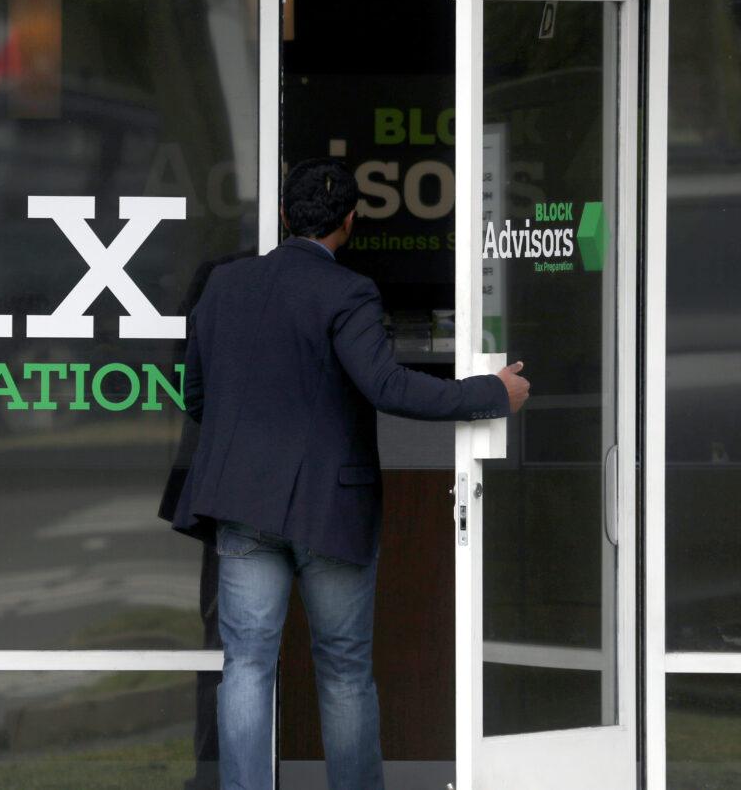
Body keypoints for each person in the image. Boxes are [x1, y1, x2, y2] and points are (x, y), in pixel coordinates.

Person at [168, 157, 530, 790]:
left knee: (246, 666)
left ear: (283, 215)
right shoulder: (348, 291)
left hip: (244, 504)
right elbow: (388, 386)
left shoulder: (223, 286)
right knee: (342, 670)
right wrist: (491, 393)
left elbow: (194, 396)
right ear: (351, 222)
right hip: (328, 512)